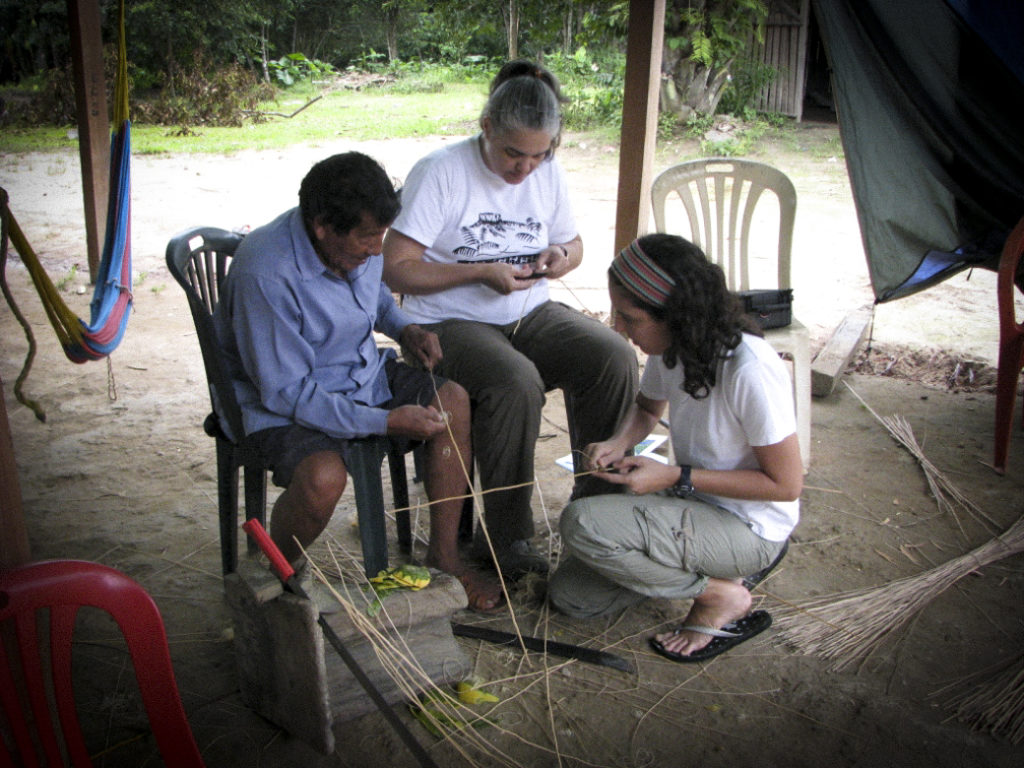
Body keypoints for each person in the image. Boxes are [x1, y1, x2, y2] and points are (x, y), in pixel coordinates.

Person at [382, 60, 638, 578]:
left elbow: (575, 242)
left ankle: (597, 515)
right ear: (487, 128)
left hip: (530, 312)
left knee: (611, 355)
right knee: (514, 380)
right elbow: (395, 269)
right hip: (449, 322)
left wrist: (562, 256)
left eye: (540, 156)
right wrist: (478, 272)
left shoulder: (548, 174)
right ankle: (509, 539)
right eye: (513, 154)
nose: (526, 169)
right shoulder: (442, 172)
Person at [214, 152, 502, 612]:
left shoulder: (357, 245)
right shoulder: (265, 272)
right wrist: (383, 422)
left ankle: (445, 557)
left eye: (381, 238)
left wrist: (406, 328)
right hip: (281, 400)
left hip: (358, 374)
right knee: (323, 479)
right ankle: (274, 580)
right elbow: (285, 391)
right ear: (323, 225)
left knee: (452, 399)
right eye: (367, 240)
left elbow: (376, 301)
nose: (376, 252)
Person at [548, 234, 803, 662]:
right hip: (693, 501)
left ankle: (719, 592)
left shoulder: (749, 369)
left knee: (582, 523)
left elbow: (786, 485)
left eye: (630, 319)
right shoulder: (673, 348)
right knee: (572, 597)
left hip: (748, 525)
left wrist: (673, 476)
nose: (619, 330)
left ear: (676, 316)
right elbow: (647, 408)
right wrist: (618, 441)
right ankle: (708, 570)